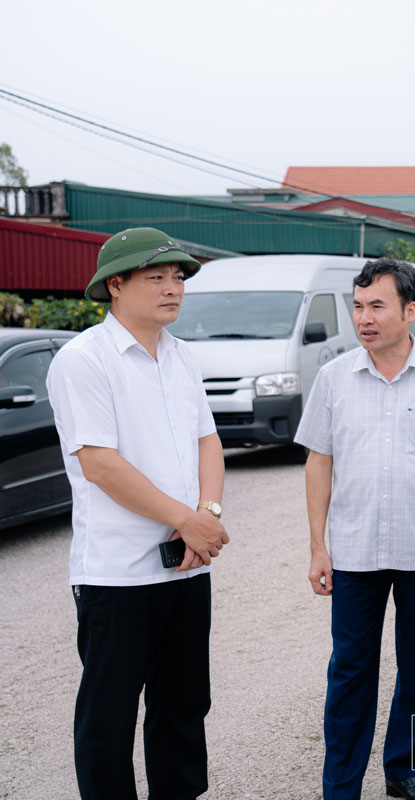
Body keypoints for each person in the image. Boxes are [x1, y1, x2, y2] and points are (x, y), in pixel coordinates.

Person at [46, 227, 230, 800]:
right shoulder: (83, 360)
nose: (173, 288)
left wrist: (206, 512)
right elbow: (100, 465)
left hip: (185, 565)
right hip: (117, 573)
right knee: (110, 713)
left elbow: (207, 441)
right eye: (157, 277)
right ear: (115, 286)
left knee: (183, 704)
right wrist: (189, 520)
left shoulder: (181, 356)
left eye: (178, 278)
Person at [295, 258, 415, 800]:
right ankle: (340, 785)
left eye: (378, 306)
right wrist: (318, 547)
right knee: (350, 670)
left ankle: (403, 769)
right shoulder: (334, 378)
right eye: (358, 306)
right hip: (355, 550)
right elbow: (319, 462)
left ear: (410, 311)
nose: (364, 318)